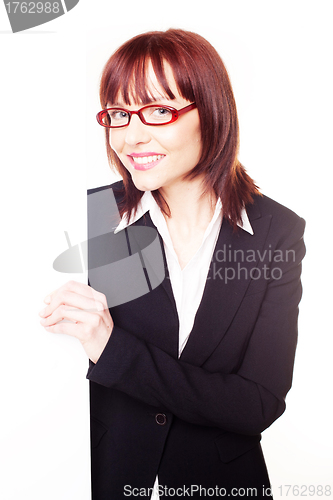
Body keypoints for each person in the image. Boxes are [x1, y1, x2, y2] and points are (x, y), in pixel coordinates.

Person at [39, 29, 306, 499]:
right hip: (111, 480)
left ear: (212, 112)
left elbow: (258, 402)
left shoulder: (275, 231)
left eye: (159, 110)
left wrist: (113, 349)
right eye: (118, 114)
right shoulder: (91, 217)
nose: (131, 136)